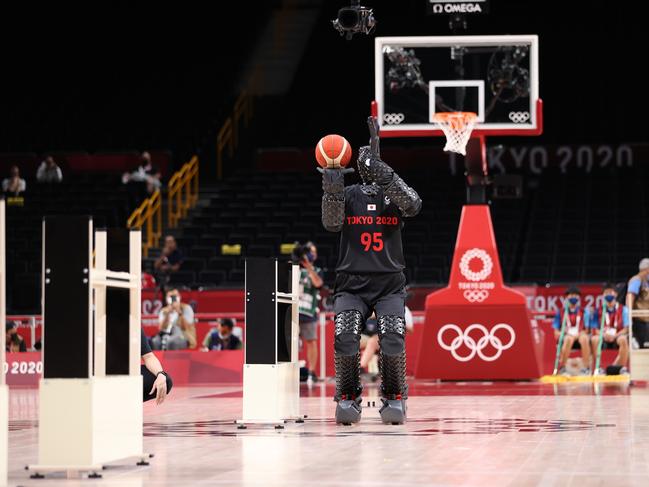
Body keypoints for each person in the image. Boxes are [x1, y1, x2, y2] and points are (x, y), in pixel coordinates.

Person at [320, 116, 422, 424]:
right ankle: (348, 395)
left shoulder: (392, 194)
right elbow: (332, 223)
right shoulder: (349, 194)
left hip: (389, 283)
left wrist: (387, 175)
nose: (365, 167)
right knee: (345, 335)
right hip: (351, 283)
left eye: (370, 162)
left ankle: (394, 394)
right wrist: (333, 185)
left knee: (393, 336)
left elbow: (414, 204)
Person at [293, 241, 323, 382]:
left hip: (308, 311)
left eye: (314, 252)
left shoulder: (316, 270)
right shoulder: (294, 269)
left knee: (311, 341)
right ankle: (291, 370)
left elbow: (318, 284)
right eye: (310, 251)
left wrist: (308, 267)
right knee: (290, 342)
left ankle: (311, 372)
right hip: (293, 310)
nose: (312, 254)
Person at [360, 306, 414, 382]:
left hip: (388, 337)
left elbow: (410, 329)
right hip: (368, 336)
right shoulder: (371, 303)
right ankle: (347, 372)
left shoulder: (403, 308)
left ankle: (361, 369)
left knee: (373, 341)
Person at [589, 283, 630, 372]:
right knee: (594, 339)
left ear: (615, 294)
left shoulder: (624, 309)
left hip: (618, 335)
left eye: (610, 292)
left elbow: (626, 328)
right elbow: (595, 329)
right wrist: (604, 335)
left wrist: (615, 336)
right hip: (603, 336)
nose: (608, 295)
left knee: (623, 339)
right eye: (606, 293)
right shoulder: (598, 310)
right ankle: (598, 368)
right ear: (603, 295)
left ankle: (620, 368)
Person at [552, 286, 592, 375]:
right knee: (568, 339)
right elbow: (556, 332)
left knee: (585, 338)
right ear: (566, 297)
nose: (573, 297)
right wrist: (562, 334)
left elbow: (587, 330)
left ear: (578, 298)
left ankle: (586, 368)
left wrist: (578, 335)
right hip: (567, 336)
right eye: (571, 295)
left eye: (575, 295)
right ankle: (563, 367)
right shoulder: (560, 312)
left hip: (580, 334)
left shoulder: (585, 312)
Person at [140, 329, 172, 404]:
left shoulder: (134, 325)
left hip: (128, 372)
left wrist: (160, 374)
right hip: (108, 374)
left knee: (165, 381)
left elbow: (148, 356)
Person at [626, 258, 649, 349]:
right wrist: (629, 314)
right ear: (647, 269)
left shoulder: (647, 282)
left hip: (647, 320)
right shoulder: (636, 280)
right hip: (640, 321)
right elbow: (630, 297)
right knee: (644, 347)